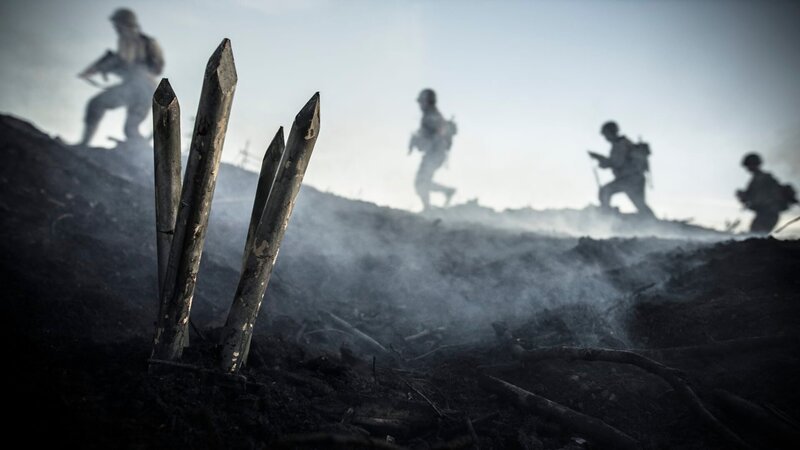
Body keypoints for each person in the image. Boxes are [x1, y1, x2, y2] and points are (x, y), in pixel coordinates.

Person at [77, 8, 164, 146]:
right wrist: (95, 69)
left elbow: (157, 67)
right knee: (98, 106)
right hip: (134, 87)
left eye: (118, 25)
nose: (116, 28)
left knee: (129, 128)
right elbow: (118, 61)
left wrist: (138, 71)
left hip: (143, 89)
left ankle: (143, 151)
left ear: (126, 24)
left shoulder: (147, 43)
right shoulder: (125, 42)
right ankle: (84, 143)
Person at [588, 121, 655, 218]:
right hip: (636, 179)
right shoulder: (623, 143)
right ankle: (653, 222)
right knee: (640, 204)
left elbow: (616, 162)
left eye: (606, 134)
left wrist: (599, 158)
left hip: (629, 179)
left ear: (610, 132)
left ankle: (605, 217)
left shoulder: (621, 144)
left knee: (605, 191)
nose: (605, 137)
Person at [408, 88, 457, 210]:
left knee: (421, 182)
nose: (420, 104)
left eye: (422, 101)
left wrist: (424, 143)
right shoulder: (429, 116)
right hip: (434, 154)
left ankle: (428, 208)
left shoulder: (432, 116)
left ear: (427, 101)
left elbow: (438, 135)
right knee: (422, 182)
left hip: (435, 154)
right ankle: (446, 193)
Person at [736, 153, 797, 234]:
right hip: (764, 214)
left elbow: (763, 197)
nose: (747, 168)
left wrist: (745, 197)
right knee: (755, 235)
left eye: (749, 165)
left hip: (768, 214)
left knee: (756, 235)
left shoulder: (763, 179)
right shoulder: (759, 179)